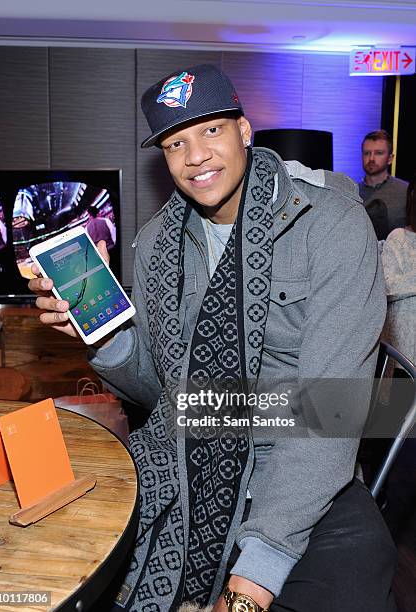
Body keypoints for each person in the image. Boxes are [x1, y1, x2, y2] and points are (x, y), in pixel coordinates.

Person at [29, 64, 396, 612]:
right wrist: (102, 335)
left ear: (245, 132)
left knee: (355, 582)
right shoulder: (156, 245)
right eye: (176, 142)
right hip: (183, 454)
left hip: (305, 467)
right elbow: (164, 395)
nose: (195, 155)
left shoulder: (332, 226)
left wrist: (248, 587)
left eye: (211, 130)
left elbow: (331, 416)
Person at [380, 172, 416, 538]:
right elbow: (388, 284)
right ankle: (385, 535)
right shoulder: (398, 239)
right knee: (403, 460)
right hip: (406, 363)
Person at [359, 129, 408, 239]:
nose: (371, 158)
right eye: (367, 153)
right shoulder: (351, 192)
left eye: (378, 153)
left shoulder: (406, 192)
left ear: (390, 159)